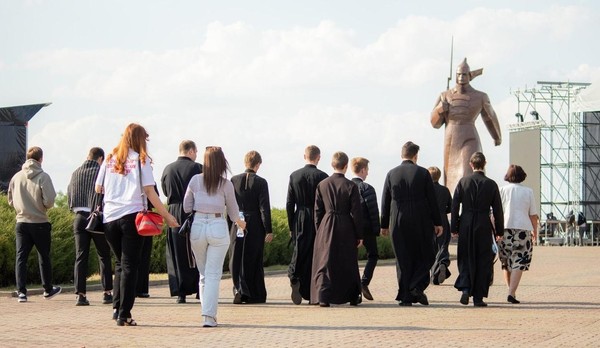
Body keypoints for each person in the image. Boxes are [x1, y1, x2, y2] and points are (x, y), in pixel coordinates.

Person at [96, 123, 179, 326]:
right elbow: (150, 192)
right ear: (140, 140)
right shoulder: (141, 161)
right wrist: (168, 217)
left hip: (109, 218)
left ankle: (117, 309)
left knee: (119, 264)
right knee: (130, 266)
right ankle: (125, 314)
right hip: (132, 218)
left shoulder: (109, 159)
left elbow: (99, 187)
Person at [183, 146, 246, 327]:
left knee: (203, 274)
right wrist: (242, 224)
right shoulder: (226, 184)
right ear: (221, 162)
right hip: (218, 226)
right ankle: (208, 316)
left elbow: (187, 207)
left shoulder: (195, 180)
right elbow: (234, 213)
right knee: (212, 275)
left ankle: (207, 313)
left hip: (197, 226)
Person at [380, 142, 443, 306]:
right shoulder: (423, 173)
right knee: (427, 253)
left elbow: (385, 200)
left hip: (398, 219)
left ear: (402, 155)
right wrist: (438, 222)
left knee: (403, 258)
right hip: (420, 219)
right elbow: (432, 200)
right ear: (416, 156)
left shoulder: (391, 174)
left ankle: (406, 295)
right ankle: (416, 286)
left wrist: (384, 224)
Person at [431, 58, 502, 194]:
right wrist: (440, 109)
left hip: (469, 136)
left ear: (470, 75)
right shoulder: (444, 95)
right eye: (458, 74)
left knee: (469, 171)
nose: (461, 77)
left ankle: (472, 200)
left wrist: (497, 136)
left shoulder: (480, 96)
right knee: (451, 179)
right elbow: (434, 123)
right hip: (451, 139)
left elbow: (490, 117)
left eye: (464, 74)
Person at [8, 146, 62, 303]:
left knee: (21, 257)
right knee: (44, 256)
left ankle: (21, 293)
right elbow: (50, 201)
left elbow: (10, 199)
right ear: (41, 159)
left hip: (21, 222)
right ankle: (47, 289)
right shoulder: (43, 177)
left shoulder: (16, 177)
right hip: (39, 222)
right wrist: (43, 206)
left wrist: (20, 207)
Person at [451, 152, 504, 307]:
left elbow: (455, 206)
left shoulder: (463, 182)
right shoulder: (491, 184)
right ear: (485, 163)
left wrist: (454, 227)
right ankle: (478, 297)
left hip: (466, 222)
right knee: (483, 259)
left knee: (466, 256)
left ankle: (466, 289)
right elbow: (498, 210)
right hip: (483, 223)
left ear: (471, 164)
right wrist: (499, 231)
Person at [311, 151, 363, 307]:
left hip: (326, 224)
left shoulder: (322, 184)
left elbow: (317, 211)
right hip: (345, 224)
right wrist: (359, 234)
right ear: (346, 166)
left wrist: (319, 230)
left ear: (332, 164)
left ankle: (323, 296)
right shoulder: (351, 186)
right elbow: (356, 212)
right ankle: (352, 295)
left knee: (325, 262)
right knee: (347, 261)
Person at [67, 147, 113, 306]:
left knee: (81, 256)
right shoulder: (101, 172)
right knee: (104, 254)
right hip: (96, 218)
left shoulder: (75, 173)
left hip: (79, 217)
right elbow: (107, 194)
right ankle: (107, 293)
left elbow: (70, 197)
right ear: (100, 158)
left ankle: (80, 295)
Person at [161, 140, 203, 304]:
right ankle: (200, 288)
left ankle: (180, 292)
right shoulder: (197, 168)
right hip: (193, 211)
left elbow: (165, 190)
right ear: (191, 151)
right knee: (197, 250)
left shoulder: (167, 169)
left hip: (173, 211)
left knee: (175, 253)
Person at [229, 150, 273, 304]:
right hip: (254, 223)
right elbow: (264, 208)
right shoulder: (261, 182)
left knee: (237, 257)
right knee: (253, 258)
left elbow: (229, 204)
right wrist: (268, 229)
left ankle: (239, 288)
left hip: (238, 221)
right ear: (258, 164)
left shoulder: (233, 180)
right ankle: (255, 293)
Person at [286, 145, 328, 305]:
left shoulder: (294, 176)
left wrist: (291, 225)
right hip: (317, 216)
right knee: (314, 253)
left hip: (300, 215)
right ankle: (311, 291)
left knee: (299, 249)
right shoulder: (323, 176)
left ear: (305, 156)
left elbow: (289, 203)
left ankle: (294, 275)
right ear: (318, 157)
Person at [499, 164, 539, 304]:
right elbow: (533, 215)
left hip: (504, 229)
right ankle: (511, 292)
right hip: (523, 229)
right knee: (519, 261)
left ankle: (510, 290)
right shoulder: (528, 191)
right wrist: (535, 231)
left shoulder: (502, 190)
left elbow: (496, 212)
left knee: (506, 261)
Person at [350, 157, 380, 301]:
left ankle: (353, 288)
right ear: (362, 170)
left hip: (349, 228)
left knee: (351, 259)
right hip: (366, 228)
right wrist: (377, 229)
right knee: (373, 255)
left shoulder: (346, 185)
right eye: (367, 170)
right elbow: (373, 211)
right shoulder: (367, 188)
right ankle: (364, 282)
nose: (367, 173)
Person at [427, 166, 453, 285]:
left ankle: (433, 275)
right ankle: (442, 263)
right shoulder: (445, 190)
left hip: (428, 220)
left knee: (430, 248)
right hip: (443, 220)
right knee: (442, 246)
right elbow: (451, 207)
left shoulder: (425, 190)